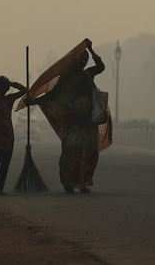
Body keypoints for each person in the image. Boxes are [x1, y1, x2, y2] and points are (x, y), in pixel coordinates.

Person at [26, 39, 105, 194]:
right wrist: (34, 101)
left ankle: (83, 182)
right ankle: (68, 182)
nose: (83, 62)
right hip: (73, 120)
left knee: (88, 151)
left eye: (85, 59)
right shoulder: (66, 78)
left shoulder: (88, 74)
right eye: (81, 59)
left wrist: (91, 50)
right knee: (70, 151)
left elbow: (101, 67)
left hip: (88, 120)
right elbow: (51, 96)